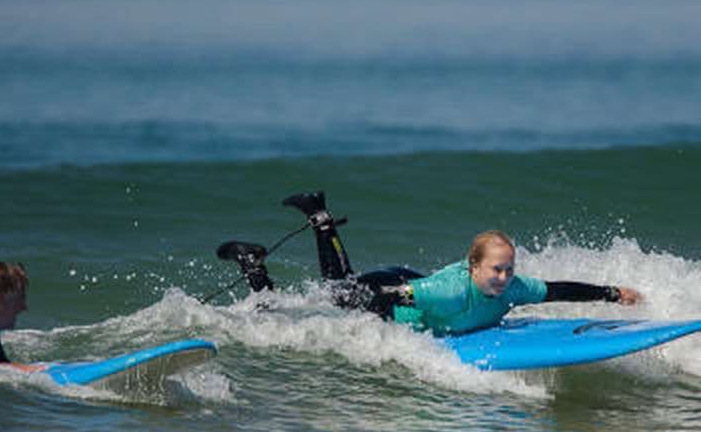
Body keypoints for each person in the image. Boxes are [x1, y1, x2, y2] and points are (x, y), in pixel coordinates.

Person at [217, 191, 642, 336]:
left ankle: (315, 220)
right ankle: (257, 262)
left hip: (412, 287)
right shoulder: (450, 290)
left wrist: (612, 294)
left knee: (337, 289)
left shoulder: (514, 288)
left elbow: (558, 290)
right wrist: (346, 302)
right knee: (335, 292)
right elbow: (387, 293)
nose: (503, 277)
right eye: (496, 269)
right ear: (473, 266)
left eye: (508, 269)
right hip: (397, 294)